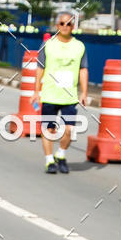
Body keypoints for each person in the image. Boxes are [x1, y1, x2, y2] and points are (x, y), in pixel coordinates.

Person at [34, 11, 88, 174]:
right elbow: (40, 68)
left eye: (69, 23)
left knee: (68, 130)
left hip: (69, 96)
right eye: (62, 23)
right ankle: (49, 160)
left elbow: (83, 69)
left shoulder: (79, 46)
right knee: (49, 130)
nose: (65, 26)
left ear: (73, 26)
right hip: (50, 94)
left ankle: (61, 154)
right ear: (57, 25)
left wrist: (84, 92)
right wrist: (36, 91)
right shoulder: (48, 44)